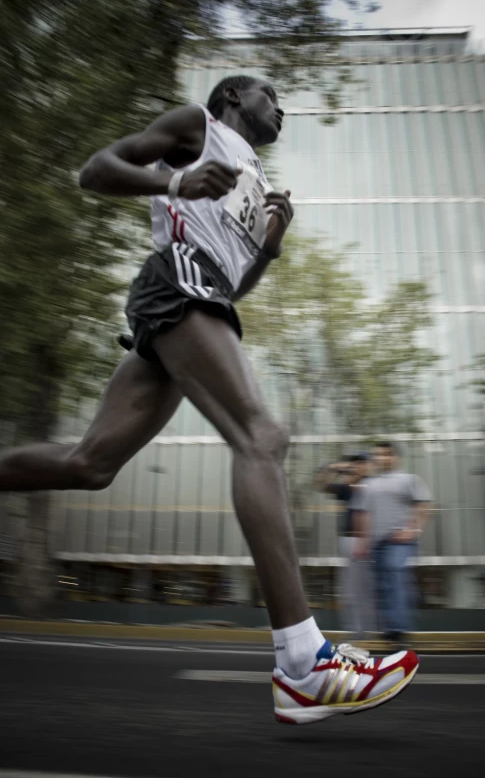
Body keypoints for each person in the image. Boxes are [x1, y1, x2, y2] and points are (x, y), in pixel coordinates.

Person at [0, 76, 419, 723]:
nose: (279, 106)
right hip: (177, 281)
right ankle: (303, 664)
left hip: (200, 294)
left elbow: (230, 283)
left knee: (90, 463)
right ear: (231, 97)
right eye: (268, 93)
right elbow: (95, 170)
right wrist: (174, 182)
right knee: (261, 435)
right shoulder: (197, 125)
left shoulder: (252, 176)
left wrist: (269, 245)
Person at [353, 441, 433, 647]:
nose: (382, 458)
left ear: (396, 458)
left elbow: (423, 505)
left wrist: (413, 530)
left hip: (399, 540)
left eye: (387, 454)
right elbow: (364, 513)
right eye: (378, 455)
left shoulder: (409, 480)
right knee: (383, 585)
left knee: (395, 574)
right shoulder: (369, 484)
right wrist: (364, 541)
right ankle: (391, 628)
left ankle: (399, 629)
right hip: (377, 543)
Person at [315, 453, 376, 638]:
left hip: (373, 541)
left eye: (361, 463)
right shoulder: (347, 488)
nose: (358, 467)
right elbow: (320, 485)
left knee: (370, 587)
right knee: (350, 589)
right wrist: (333, 468)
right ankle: (356, 631)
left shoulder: (374, 484)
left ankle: (372, 630)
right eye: (355, 464)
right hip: (349, 541)